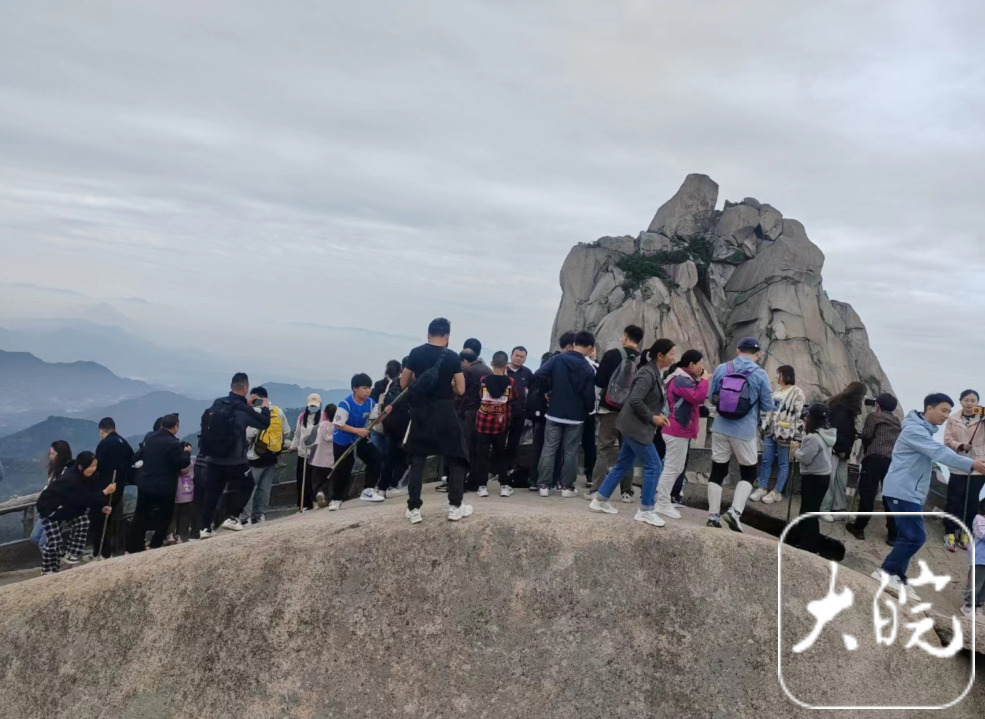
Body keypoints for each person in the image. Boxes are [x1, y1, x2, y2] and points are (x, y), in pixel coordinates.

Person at [873, 394, 985, 601]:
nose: (946, 415)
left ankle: (899, 578)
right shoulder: (915, 430)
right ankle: (886, 572)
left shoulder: (922, 430)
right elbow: (938, 451)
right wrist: (971, 464)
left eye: (949, 411)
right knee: (916, 537)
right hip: (902, 491)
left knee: (906, 537)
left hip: (909, 492)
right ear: (929, 408)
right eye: (943, 410)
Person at [588, 338, 671, 526]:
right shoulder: (647, 373)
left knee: (623, 464)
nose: (674, 357)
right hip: (635, 427)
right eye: (672, 354)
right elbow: (635, 400)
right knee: (654, 465)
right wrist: (653, 417)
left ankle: (600, 500)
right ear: (660, 355)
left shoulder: (653, 372)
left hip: (633, 425)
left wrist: (656, 415)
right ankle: (646, 510)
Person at [400, 317, 473, 523]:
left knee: (418, 459)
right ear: (447, 336)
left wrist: (422, 381)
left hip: (421, 413)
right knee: (457, 457)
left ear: (428, 334)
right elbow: (461, 389)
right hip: (445, 413)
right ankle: (455, 506)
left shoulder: (416, 353)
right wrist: (446, 385)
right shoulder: (452, 357)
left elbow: (404, 382)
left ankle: (414, 509)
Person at [707, 337, 773, 532]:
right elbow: (767, 405)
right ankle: (735, 512)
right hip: (744, 431)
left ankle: (713, 516)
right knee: (749, 472)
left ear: (738, 351)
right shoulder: (760, 374)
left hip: (720, 427)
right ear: (758, 354)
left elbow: (711, 397)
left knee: (717, 470)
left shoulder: (722, 368)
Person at [199, 373, 271, 537]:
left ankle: (204, 527)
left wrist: (246, 404)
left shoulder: (218, 403)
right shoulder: (243, 409)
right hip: (235, 460)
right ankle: (232, 517)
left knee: (212, 492)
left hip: (213, 458)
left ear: (232, 387)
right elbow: (264, 423)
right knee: (247, 485)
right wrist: (265, 407)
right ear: (245, 388)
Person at [534, 331, 597, 497]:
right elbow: (589, 395)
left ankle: (543, 485)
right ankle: (566, 487)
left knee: (549, 449)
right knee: (571, 451)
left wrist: (547, 391)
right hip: (575, 417)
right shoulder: (587, 367)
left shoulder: (557, 359)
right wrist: (588, 410)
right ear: (590, 347)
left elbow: (539, 374)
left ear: (574, 344)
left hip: (554, 412)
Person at [36, 452, 115, 575]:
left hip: (68, 507)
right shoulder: (69, 479)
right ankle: (48, 570)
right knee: (54, 540)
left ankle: (72, 553)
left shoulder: (90, 475)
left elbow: (94, 491)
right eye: (91, 466)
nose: (94, 469)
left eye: (95, 465)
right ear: (80, 466)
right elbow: (83, 498)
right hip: (49, 508)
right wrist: (105, 492)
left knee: (83, 522)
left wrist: (103, 506)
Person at [589, 325, 644, 498]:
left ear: (625, 337)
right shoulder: (643, 360)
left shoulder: (612, 354)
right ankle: (627, 492)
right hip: (632, 413)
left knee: (604, 449)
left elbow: (599, 382)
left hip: (610, 409)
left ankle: (596, 490)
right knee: (627, 451)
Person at [127, 414, 192, 553]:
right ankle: (155, 544)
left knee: (140, 515)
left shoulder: (150, 438)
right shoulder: (173, 443)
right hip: (165, 487)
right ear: (176, 426)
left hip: (146, 483)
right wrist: (186, 453)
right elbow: (181, 463)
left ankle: (134, 546)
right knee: (164, 516)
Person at [655, 349, 709, 517]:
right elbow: (698, 397)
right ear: (691, 364)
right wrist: (704, 380)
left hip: (679, 430)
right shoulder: (681, 379)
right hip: (676, 430)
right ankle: (662, 503)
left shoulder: (683, 378)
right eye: (700, 364)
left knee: (676, 467)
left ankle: (662, 500)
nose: (702, 367)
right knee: (672, 468)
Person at [846, 393, 901, 543]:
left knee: (867, 494)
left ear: (878, 405)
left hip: (874, 458)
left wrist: (867, 450)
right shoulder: (897, 421)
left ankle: (859, 528)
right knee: (889, 496)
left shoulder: (874, 416)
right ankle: (893, 535)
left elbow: (867, 435)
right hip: (891, 461)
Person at [328, 374, 386, 510]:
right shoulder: (346, 404)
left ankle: (368, 490)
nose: (368, 391)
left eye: (369, 388)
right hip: (343, 440)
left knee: (375, 458)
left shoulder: (370, 403)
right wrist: (357, 430)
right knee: (343, 468)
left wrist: (385, 413)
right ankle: (336, 499)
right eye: (364, 388)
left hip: (359, 437)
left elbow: (375, 420)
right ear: (355, 389)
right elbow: (338, 424)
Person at [750, 365, 805, 505]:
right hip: (770, 430)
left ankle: (777, 491)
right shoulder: (777, 391)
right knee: (766, 460)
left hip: (786, 433)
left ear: (786, 375)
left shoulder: (797, 392)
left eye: (778, 373)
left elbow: (799, 417)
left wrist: (797, 437)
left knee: (783, 463)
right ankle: (762, 488)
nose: (776, 376)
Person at [787, 404, 837, 555]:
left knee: (809, 512)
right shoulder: (826, 434)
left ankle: (809, 546)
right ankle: (803, 540)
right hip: (823, 477)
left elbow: (805, 458)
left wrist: (796, 450)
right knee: (808, 510)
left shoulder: (813, 437)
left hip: (813, 478)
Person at [240, 386, 290, 526]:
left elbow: (248, 434)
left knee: (250, 488)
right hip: (272, 456)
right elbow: (286, 432)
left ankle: (246, 518)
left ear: (255, 397)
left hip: (254, 456)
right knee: (265, 488)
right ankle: (260, 515)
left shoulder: (254, 412)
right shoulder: (277, 411)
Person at [943, 390, 985, 552]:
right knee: (954, 498)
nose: (969, 403)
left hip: (980, 464)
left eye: (973, 400)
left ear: (978, 402)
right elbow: (947, 440)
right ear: (960, 401)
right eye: (966, 400)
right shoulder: (953, 419)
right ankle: (949, 532)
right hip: (959, 463)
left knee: (972, 500)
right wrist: (960, 445)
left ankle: (966, 532)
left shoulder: (982, 418)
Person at [820, 381, 867, 522]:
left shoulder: (846, 407)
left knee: (841, 480)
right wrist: (840, 448)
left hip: (843, 450)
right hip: (835, 448)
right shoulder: (840, 407)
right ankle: (824, 509)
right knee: (830, 479)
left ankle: (839, 508)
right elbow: (835, 430)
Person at [91, 417, 134, 558]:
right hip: (119, 486)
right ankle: (108, 551)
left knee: (100, 520)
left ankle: (100, 552)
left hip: (105, 488)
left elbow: (97, 467)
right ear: (115, 428)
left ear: (101, 431)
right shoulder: (123, 442)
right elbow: (132, 460)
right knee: (111, 518)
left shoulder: (103, 445)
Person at [474, 351, 515, 498]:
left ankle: (482, 486)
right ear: (506, 366)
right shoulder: (510, 381)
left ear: (491, 363)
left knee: (482, 454)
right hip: (500, 423)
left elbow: (480, 395)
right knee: (500, 454)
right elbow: (512, 397)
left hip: (483, 422)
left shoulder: (484, 380)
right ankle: (504, 486)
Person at [30, 441, 74, 549]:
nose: (50, 456)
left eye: (52, 453)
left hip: (55, 510)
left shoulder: (68, 472)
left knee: (44, 543)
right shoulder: (55, 470)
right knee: (35, 537)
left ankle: (55, 558)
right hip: (46, 508)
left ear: (60, 454)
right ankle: (58, 555)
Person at [289, 394, 322, 511]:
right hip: (303, 453)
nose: (313, 408)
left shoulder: (323, 417)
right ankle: (304, 504)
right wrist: (293, 446)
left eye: (315, 406)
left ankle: (316, 501)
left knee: (315, 479)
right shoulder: (302, 417)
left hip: (317, 454)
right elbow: (297, 434)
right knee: (303, 480)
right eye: (311, 406)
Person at [505, 346, 533, 481]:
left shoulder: (527, 373)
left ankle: (510, 467)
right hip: (503, 412)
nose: (518, 358)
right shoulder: (503, 370)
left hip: (520, 412)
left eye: (522, 357)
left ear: (525, 359)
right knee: (499, 440)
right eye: (516, 355)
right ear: (511, 355)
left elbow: (532, 391)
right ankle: (498, 467)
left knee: (514, 441)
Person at [961, 497, 985, 618]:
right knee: (976, 582)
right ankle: (968, 605)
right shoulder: (979, 519)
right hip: (980, 557)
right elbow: (982, 534)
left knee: (983, 585)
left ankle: (978, 604)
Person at [311, 403, 338, 507]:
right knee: (330, 480)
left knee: (317, 480)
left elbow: (310, 441)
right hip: (331, 459)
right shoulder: (338, 427)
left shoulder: (319, 426)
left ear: (325, 414)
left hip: (318, 459)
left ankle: (319, 493)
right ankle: (328, 498)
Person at [169, 460, 198, 543]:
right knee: (182, 513)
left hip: (176, 490)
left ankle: (171, 535)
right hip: (186, 491)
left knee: (174, 513)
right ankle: (180, 535)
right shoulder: (191, 460)